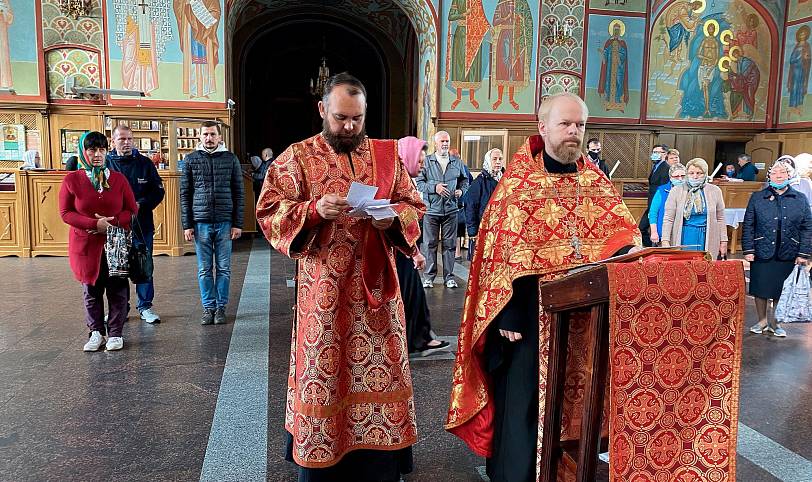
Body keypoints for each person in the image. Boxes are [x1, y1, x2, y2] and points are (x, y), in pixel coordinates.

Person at [445, 92, 641, 482]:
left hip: (585, 317)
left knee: (576, 404)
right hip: (528, 317)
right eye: (565, 124)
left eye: (580, 125)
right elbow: (499, 251)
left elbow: (621, 233)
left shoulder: (595, 181)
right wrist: (508, 310)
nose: (574, 132)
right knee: (523, 403)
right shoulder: (518, 183)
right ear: (543, 127)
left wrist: (630, 250)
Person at [256, 73, 425, 481]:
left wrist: (391, 219)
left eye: (356, 118)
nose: (349, 127)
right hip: (325, 296)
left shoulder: (387, 156)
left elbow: (414, 205)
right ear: (322, 110)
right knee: (324, 371)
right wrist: (313, 210)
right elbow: (268, 211)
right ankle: (323, 457)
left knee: (382, 369)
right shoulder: (297, 157)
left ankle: (381, 464)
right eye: (340, 118)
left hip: (377, 294)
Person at [58, 132, 137, 352]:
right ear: (83, 152)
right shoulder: (72, 180)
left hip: (115, 244)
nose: (97, 155)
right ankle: (96, 332)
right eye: (92, 150)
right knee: (91, 290)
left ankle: (115, 333)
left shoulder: (118, 179)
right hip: (85, 245)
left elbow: (132, 209)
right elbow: (65, 213)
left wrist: (112, 223)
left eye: (102, 150)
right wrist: (94, 224)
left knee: (117, 289)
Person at [180, 121, 244, 325]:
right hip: (201, 223)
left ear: (219, 137)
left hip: (225, 221)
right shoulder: (190, 160)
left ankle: (221, 308)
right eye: (205, 134)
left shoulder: (230, 159)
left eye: (212, 134)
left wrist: (238, 223)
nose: (209, 138)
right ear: (200, 137)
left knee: (224, 268)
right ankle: (208, 308)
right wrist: (187, 225)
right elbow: (185, 194)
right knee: (204, 269)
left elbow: (239, 193)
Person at [742, 160, 812, 338]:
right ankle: (762, 321)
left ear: (789, 175)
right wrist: (748, 249)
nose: (779, 176)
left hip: (788, 251)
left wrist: (804, 253)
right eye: (774, 173)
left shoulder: (800, 198)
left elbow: (807, 227)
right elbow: (749, 224)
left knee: (781, 288)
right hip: (762, 249)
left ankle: (775, 322)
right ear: (769, 176)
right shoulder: (757, 197)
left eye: (782, 173)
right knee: (760, 287)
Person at [397, 135, 450, 355]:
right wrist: (415, 252)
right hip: (398, 249)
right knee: (410, 294)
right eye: (418, 161)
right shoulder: (398, 181)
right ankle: (415, 340)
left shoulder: (405, 180)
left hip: (403, 248)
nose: (422, 166)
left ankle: (419, 338)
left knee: (413, 294)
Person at [107, 125, 165, 324]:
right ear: (113, 141)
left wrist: (142, 204)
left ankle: (145, 306)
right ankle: (120, 309)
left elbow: (158, 191)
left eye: (129, 139)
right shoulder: (106, 164)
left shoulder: (145, 163)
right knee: (117, 268)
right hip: (115, 227)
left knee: (143, 265)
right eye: (122, 139)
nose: (126, 142)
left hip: (142, 224)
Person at [415, 130, 469, 288]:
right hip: (431, 210)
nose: (445, 144)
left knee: (450, 245)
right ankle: (428, 277)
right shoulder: (427, 161)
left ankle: (449, 277)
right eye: (442, 141)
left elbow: (465, 181)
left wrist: (461, 191)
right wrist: (435, 187)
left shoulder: (457, 162)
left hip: (451, 210)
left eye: (447, 141)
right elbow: (419, 183)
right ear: (436, 143)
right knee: (429, 244)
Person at [661, 158, 728, 258]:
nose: (695, 176)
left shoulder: (715, 191)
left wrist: (723, 241)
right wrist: (665, 241)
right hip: (685, 236)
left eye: (699, 173)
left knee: (705, 265)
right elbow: (668, 219)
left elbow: (720, 218)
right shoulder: (676, 191)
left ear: (705, 174)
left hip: (707, 236)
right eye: (691, 173)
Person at [464, 148, 503, 250]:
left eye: (500, 159)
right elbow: (471, 207)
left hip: (501, 229)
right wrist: (472, 232)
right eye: (494, 159)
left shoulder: (506, 180)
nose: (498, 162)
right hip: (484, 228)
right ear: (488, 161)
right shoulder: (479, 182)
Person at [648, 162, 686, 245]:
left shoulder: (688, 191)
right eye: (676, 176)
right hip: (663, 233)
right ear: (670, 177)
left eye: (683, 176)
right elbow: (653, 213)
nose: (680, 179)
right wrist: (654, 232)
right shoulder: (662, 190)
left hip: (683, 234)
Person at [639, 144, 670, 246]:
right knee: (642, 228)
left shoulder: (666, 168)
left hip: (657, 203)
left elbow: (663, 189)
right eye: (654, 152)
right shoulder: (656, 166)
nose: (654, 154)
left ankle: (651, 248)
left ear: (665, 154)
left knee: (644, 228)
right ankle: (649, 247)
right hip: (651, 202)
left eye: (657, 152)